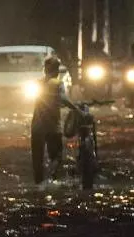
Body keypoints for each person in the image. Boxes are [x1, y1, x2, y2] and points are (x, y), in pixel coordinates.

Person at [31, 56, 80, 185]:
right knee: (57, 156)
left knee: (37, 158)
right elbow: (63, 99)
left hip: (36, 127)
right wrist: (76, 109)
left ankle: (39, 184)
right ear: (57, 70)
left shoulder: (37, 83)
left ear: (44, 70)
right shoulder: (58, 83)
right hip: (52, 127)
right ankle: (51, 178)